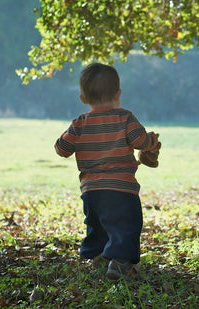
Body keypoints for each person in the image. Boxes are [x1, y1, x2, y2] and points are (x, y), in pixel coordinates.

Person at [54, 63, 161, 281]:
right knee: (125, 225)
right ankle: (120, 263)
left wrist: (71, 133)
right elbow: (139, 140)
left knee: (97, 223)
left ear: (83, 98)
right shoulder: (125, 117)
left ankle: (96, 256)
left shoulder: (79, 123)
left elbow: (61, 149)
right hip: (121, 188)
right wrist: (152, 141)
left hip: (91, 190)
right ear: (118, 94)